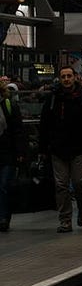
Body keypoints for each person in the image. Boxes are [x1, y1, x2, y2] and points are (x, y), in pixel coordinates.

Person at [39, 66, 82, 233]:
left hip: (78, 149)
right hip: (58, 149)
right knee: (61, 186)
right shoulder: (53, 99)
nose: (67, 79)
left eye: (69, 76)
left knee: (78, 183)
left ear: (75, 77)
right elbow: (44, 124)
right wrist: (43, 148)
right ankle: (65, 220)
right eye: (63, 76)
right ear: (60, 79)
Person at [0, 82, 25, 232]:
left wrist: (20, 153)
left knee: (4, 185)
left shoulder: (9, 105)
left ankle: (4, 217)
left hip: (6, 152)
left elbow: (18, 130)